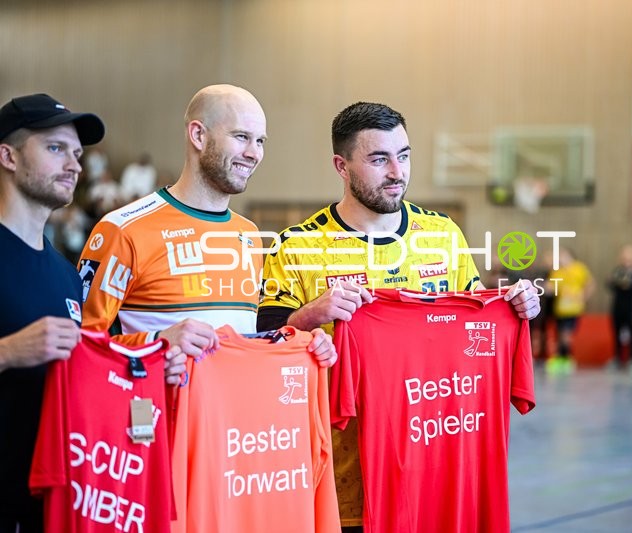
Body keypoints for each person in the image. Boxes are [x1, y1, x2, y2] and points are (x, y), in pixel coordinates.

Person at [257, 101, 541, 531]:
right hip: (342, 481)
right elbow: (262, 350)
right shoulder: (296, 245)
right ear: (342, 165)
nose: (397, 172)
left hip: (439, 471)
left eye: (404, 155)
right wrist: (310, 316)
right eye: (379, 159)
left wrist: (515, 306)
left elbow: (475, 326)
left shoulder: (443, 235)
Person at [79, 84, 336, 389]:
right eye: (241, 137)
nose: (254, 153)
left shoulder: (249, 235)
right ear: (198, 135)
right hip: (157, 429)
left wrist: (299, 340)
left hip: (235, 428)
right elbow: (82, 344)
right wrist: (156, 344)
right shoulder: (123, 229)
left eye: (260, 141)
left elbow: (244, 341)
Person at [0, 93, 105, 532]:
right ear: (7, 155)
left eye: (77, 154)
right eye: (55, 148)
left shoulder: (66, 274)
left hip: (48, 505)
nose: (75, 166)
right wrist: (6, 352)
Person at [546, 248, 595, 375]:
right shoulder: (557, 272)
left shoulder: (579, 268)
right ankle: (561, 358)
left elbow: (590, 284)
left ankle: (567, 358)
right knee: (560, 334)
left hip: (573, 309)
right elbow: (551, 288)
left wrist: (583, 297)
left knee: (566, 334)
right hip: (560, 309)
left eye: (563, 255)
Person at [606, 245, 632, 372]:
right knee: (616, 332)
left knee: (631, 332)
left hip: (629, 308)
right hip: (617, 307)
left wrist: (621, 283)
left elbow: (631, 285)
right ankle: (617, 358)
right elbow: (610, 283)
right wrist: (619, 282)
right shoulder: (618, 271)